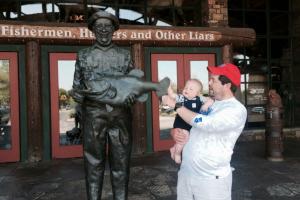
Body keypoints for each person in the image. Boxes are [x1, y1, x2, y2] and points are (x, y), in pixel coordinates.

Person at [71, 11, 136, 200]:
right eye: (99, 27)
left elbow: (133, 83)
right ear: (93, 30)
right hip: (93, 115)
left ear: (114, 30)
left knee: (121, 163)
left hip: (120, 115)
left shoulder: (125, 55)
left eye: (108, 27)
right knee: (93, 163)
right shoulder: (83, 55)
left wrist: (132, 94)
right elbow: (77, 87)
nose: (104, 30)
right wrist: (77, 94)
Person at [162, 63, 247, 200]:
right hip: (187, 172)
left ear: (227, 85)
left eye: (213, 80)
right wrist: (175, 132)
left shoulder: (236, 110)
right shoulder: (209, 102)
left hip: (211, 181)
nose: (209, 82)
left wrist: (175, 106)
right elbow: (191, 124)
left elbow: (206, 124)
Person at [167, 79, 213, 164]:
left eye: (191, 89)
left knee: (187, 139)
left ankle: (174, 148)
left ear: (198, 93)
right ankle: (177, 153)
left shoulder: (200, 98)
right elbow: (172, 95)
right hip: (181, 123)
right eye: (186, 87)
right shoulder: (181, 98)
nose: (187, 90)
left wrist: (206, 105)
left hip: (192, 124)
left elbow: (210, 101)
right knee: (184, 138)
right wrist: (169, 87)